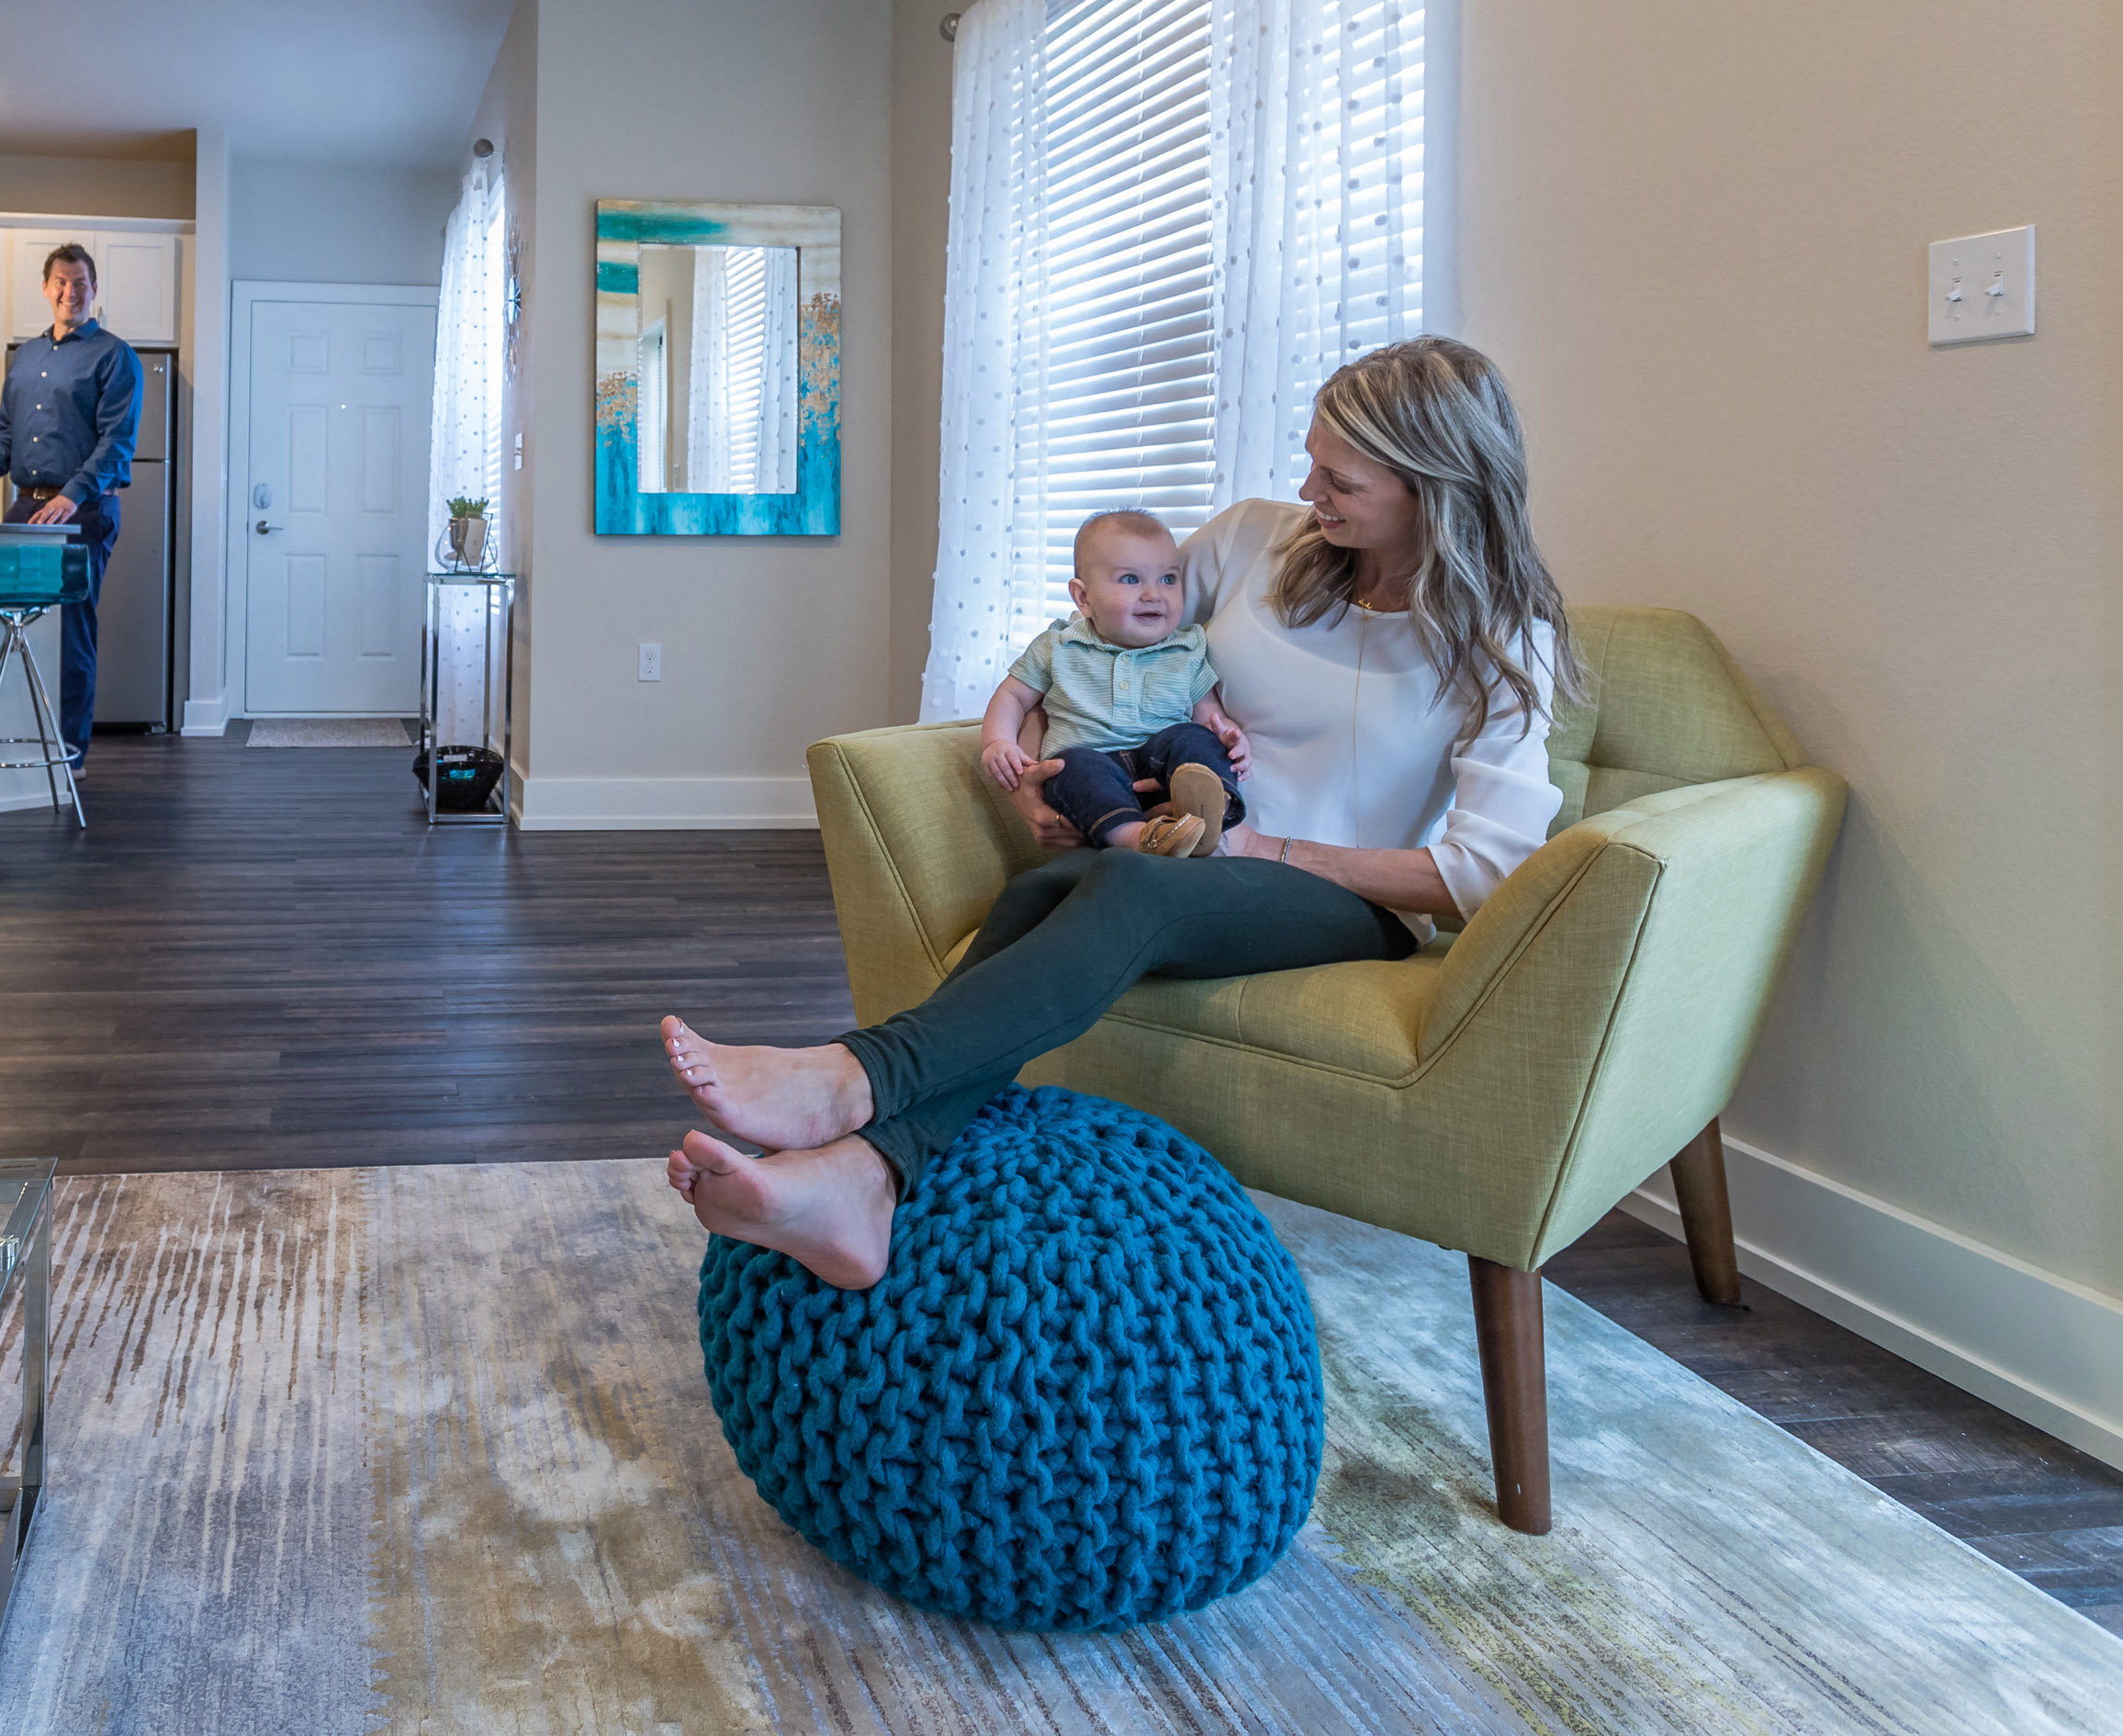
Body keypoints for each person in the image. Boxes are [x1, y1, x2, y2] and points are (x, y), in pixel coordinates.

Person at [658, 335, 1581, 1292]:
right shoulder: (1253, 543)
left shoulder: (1504, 636)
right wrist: (1039, 764)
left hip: (1349, 901)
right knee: (1049, 891)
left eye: (1339, 479)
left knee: (1130, 885)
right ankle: (863, 1177)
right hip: (1174, 852)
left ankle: (855, 1079)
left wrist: (1261, 845)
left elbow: (1488, 873)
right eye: (1311, 461)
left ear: (1433, 483)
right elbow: (1096, 642)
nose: (1308, 489)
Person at [0, 242, 140, 768]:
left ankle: (67, 756)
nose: (69, 292)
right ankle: (20, 746)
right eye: (61, 281)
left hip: (83, 511)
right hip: (24, 511)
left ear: (94, 289)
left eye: (80, 282)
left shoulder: (114, 356)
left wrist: (70, 495)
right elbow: (5, 434)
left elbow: (116, 443)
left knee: (69, 633)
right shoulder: (26, 357)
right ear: (45, 288)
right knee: (10, 627)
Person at [981, 509, 1241, 857]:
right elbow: (1012, 695)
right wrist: (998, 742)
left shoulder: (1187, 649)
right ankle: (1137, 837)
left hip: (1162, 773)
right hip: (1091, 772)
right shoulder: (1059, 645)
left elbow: (1208, 713)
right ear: (1084, 598)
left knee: (1195, 738)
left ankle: (1211, 807)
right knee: (1070, 766)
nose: (1153, 594)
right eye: (1131, 579)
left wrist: (1229, 737)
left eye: (1168, 579)